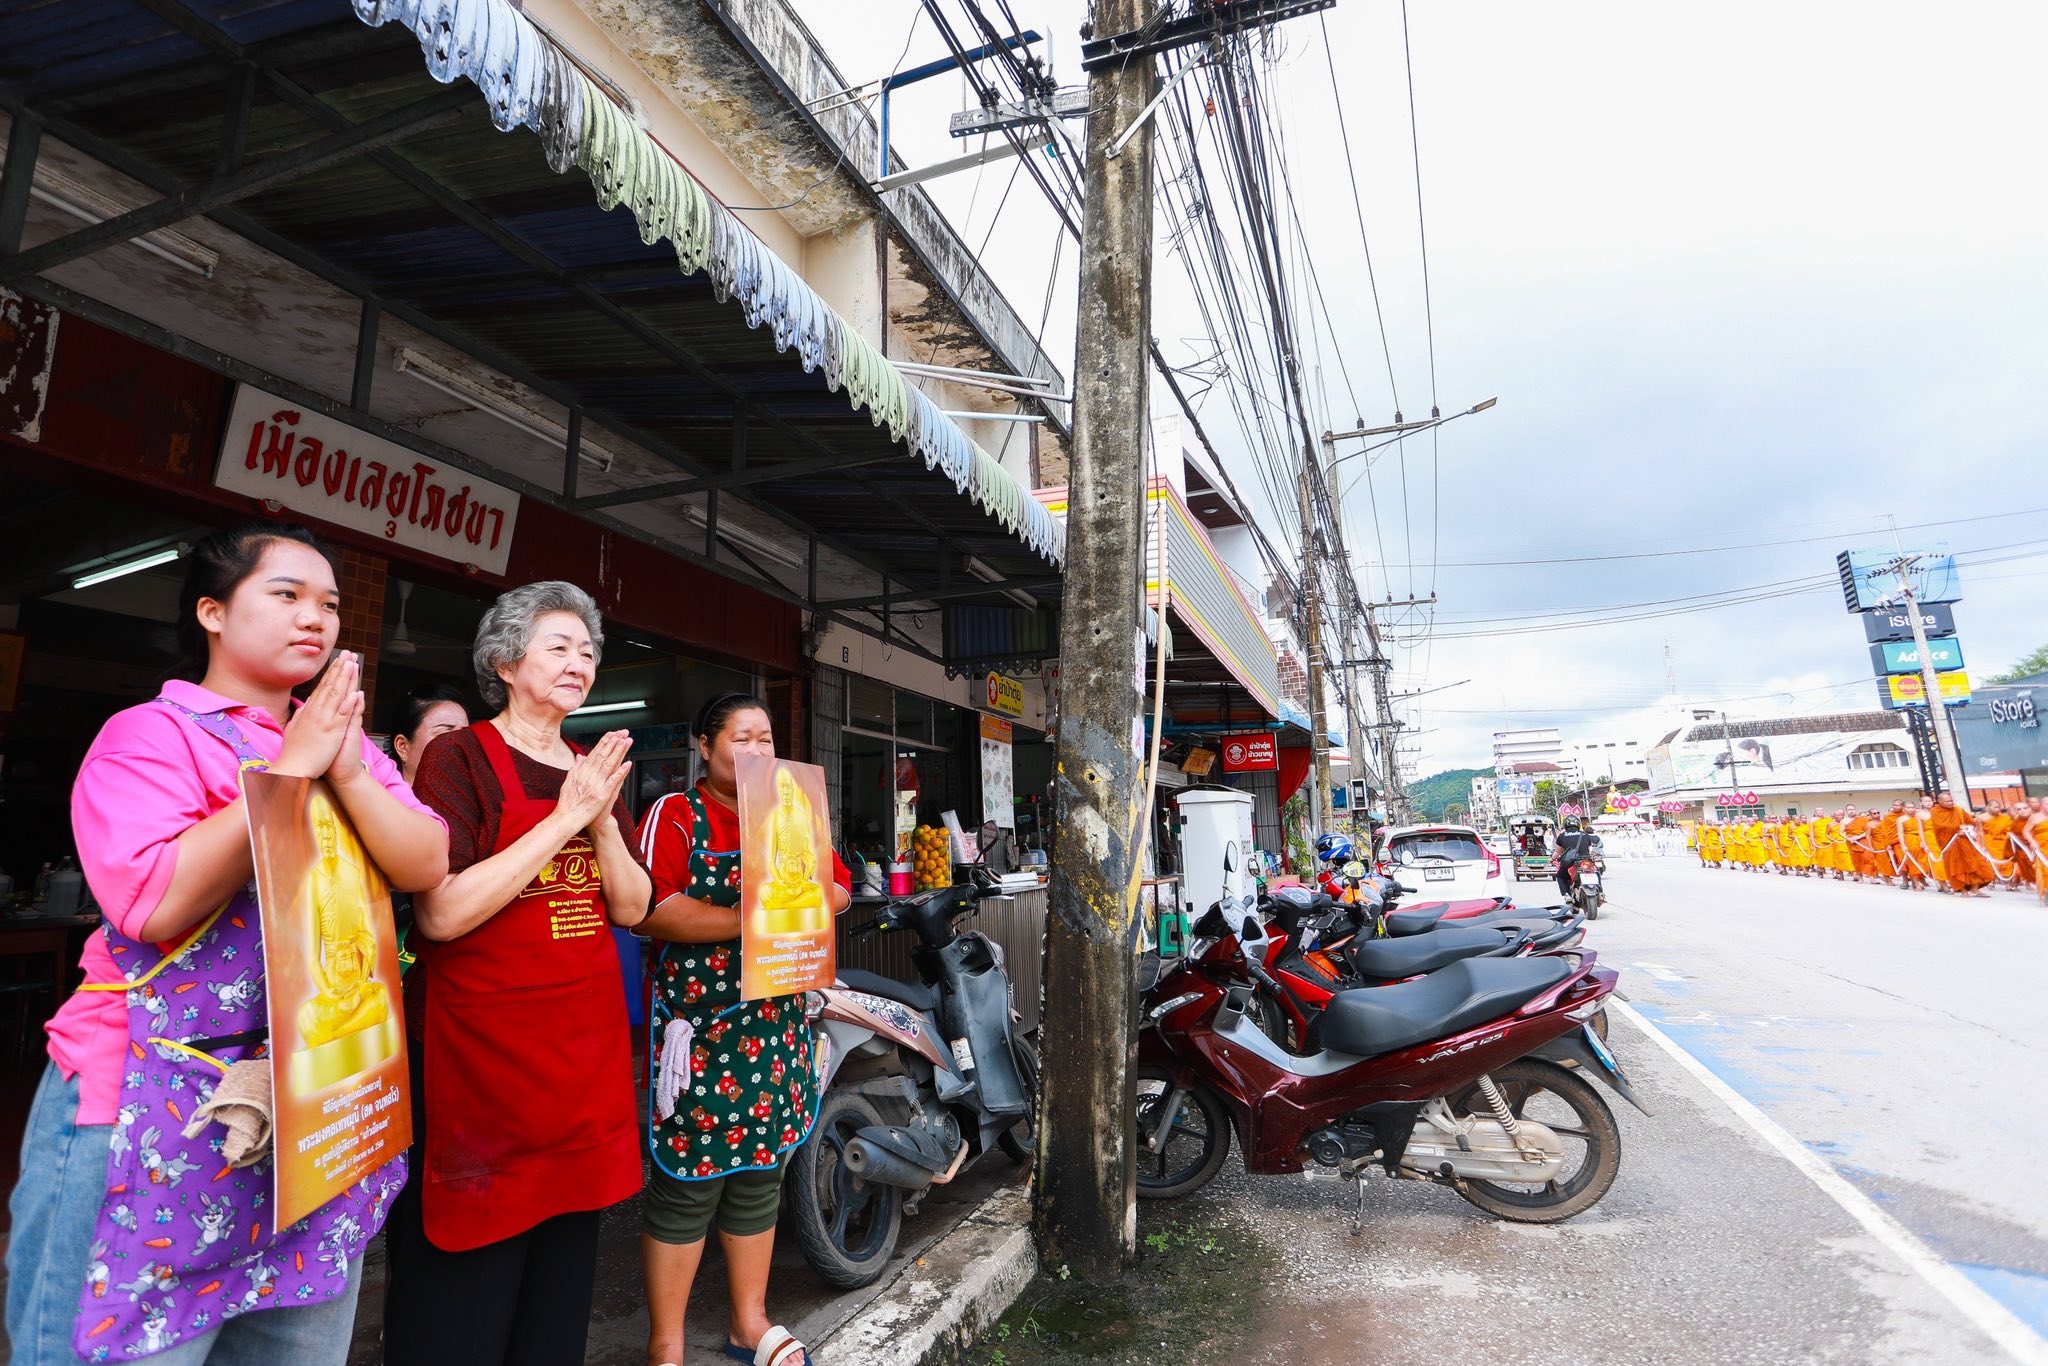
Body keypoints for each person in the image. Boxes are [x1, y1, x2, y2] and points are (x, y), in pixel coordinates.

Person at [6, 524, 449, 1364]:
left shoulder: (347, 749)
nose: (314, 618)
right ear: (212, 611)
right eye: (285, 595)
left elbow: (426, 859)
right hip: (152, 1101)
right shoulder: (151, 734)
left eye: (326, 604)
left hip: (315, 1108)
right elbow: (153, 901)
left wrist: (343, 765)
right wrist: (290, 771)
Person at [384, 581, 653, 1366]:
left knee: (556, 1302)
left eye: (589, 651)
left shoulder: (589, 765)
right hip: (482, 1071)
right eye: (559, 646)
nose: (581, 662)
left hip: (577, 1071)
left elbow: (632, 906)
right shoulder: (457, 756)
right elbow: (441, 914)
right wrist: (569, 815)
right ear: (504, 661)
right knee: (462, 1299)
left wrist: (600, 815)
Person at [635, 693, 851, 1366]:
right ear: (705, 746)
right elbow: (649, 908)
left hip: (774, 1025)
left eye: (765, 739)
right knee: (688, 1182)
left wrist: (809, 903)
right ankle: (665, 1345)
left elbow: (838, 888)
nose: (757, 751)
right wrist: (755, 919)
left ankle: (748, 1324)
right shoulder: (677, 815)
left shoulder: (793, 807)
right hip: (701, 1034)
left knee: (760, 1170)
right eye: (741, 738)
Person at [386, 683, 474, 973]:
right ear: (403, 747)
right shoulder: (378, 808)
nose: (460, 744)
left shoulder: (472, 810)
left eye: (466, 734)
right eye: (445, 732)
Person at [390, 681, 472, 784]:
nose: (461, 746)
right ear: (402, 746)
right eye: (444, 735)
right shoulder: (377, 798)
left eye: (465, 736)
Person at [1931, 790, 1993, 897]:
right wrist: (1958, 828)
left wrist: (1969, 828)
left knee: (1974, 863)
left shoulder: (1958, 809)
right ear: (1939, 802)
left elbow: (1970, 821)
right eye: (1947, 801)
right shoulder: (1935, 812)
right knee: (1956, 866)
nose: (1950, 803)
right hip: (1950, 844)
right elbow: (1940, 826)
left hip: (1965, 840)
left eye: (1951, 800)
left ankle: (1975, 888)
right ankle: (1962, 889)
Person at [1553, 818, 1597, 898]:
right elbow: (1590, 849)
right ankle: (1599, 891)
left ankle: (1566, 895)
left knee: (1560, 876)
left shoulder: (1562, 836)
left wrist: (1552, 859)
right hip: (1586, 860)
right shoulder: (1584, 834)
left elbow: (1557, 852)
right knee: (1596, 872)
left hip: (1571, 862)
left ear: (1565, 825)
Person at [1873, 800, 1907, 885]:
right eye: (1893, 805)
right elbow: (1885, 831)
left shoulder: (1907, 816)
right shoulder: (1888, 817)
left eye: (1897, 805)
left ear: (1903, 806)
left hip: (1909, 840)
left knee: (1912, 861)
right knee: (1902, 861)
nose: (1895, 807)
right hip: (1895, 842)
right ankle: (1905, 880)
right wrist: (1887, 843)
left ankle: (1916, 879)